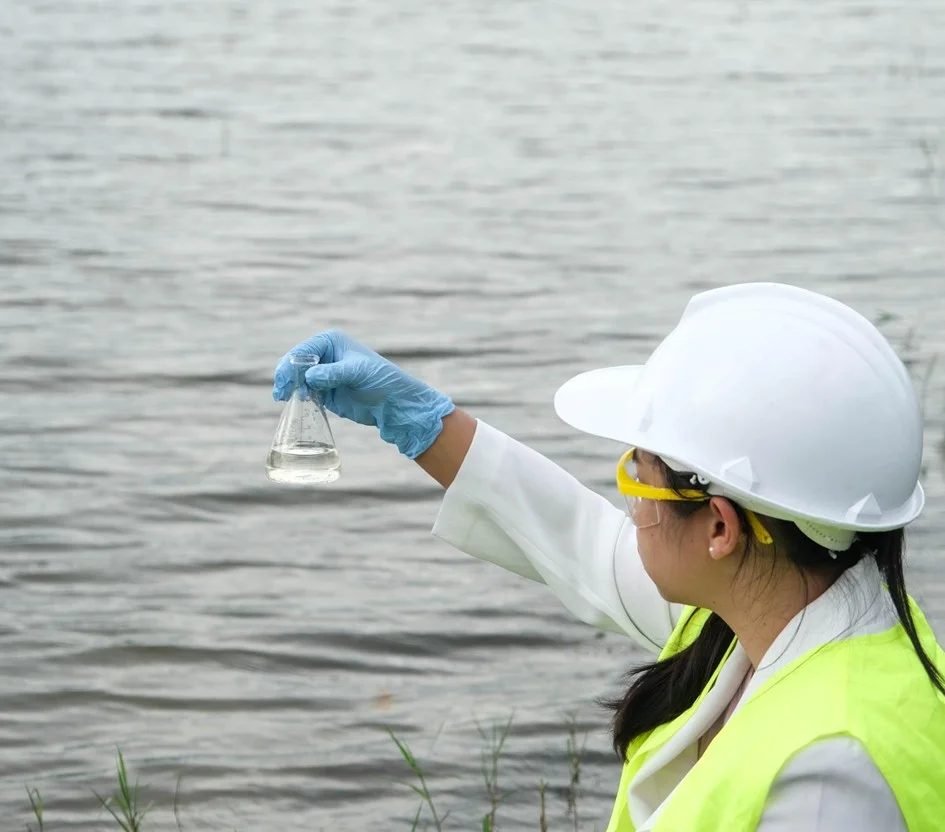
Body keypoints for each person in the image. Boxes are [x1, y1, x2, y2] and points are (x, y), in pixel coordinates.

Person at [272, 282, 945, 832]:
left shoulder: (833, 770)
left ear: (719, 527)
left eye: (636, 472)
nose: (625, 499)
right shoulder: (773, 607)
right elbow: (583, 544)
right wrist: (420, 423)